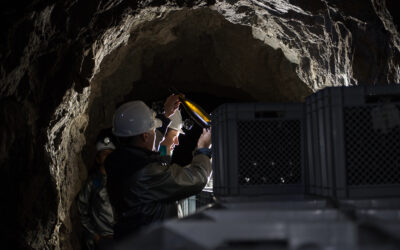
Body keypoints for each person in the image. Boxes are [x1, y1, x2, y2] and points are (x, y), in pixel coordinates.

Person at [105, 97, 212, 239]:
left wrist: (165, 117)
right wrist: (203, 149)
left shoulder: (122, 162)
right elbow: (197, 178)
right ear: (145, 136)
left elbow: (151, 147)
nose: (156, 133)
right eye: (153, 130)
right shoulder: (145, 173)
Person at [77, 130, 116, 250]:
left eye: (111, 153)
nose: (108, 156)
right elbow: (82, 210)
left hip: (118, 238)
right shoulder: (92, 183)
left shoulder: (119, 180)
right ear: (98, 159)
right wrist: (95, 236)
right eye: (104, 153)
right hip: (102, 240)